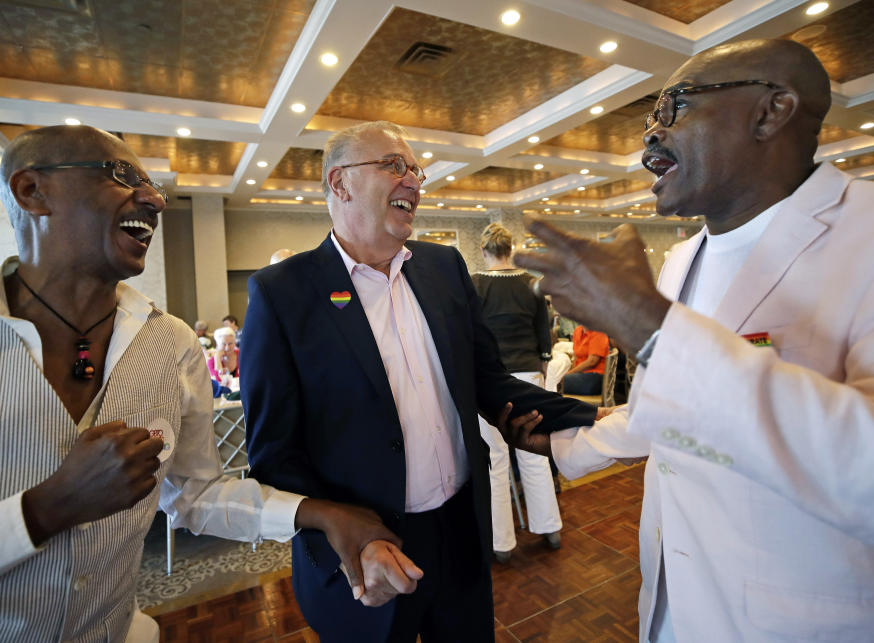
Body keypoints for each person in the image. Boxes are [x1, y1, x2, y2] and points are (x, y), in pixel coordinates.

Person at [0, 125, 420, 642]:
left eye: (152, 184)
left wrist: (323, 515)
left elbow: (194, 495)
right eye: (121, 175)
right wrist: (45, 509)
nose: (155, 199)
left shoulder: (170, 342)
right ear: (33, 191)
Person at [507, 39, 874, 641]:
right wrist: (570, 445)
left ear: (771, 110)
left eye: (673, 107)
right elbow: (670, 407)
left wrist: (650, 326)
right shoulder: (682, 258)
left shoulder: (870, 232)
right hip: (675, 601)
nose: (649, 136)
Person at [239, 120, 597, 642]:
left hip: (460, 533)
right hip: (369, 553)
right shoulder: (282, 294)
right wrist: (350, 540)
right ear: (340, 184)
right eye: (393, 165)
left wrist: (592, 416)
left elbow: (489, 381)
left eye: (416, 169)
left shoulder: (443, 266)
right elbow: (275, 453)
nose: (412, 180)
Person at [470, 222, 562, 561]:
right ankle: (549, 527)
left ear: (484, 252)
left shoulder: (476, 284)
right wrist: (541, 368)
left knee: (495, 460)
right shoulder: (531, 285)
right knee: (533, 453)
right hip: (527, 376)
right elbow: (544, 337)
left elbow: (472, 336)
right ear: (510, 250)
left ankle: (502, 544)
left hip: (491, 379)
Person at [561, 324, 609, 395]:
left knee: (558, 381)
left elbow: (592, 362)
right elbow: (576, 357)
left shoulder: (598, 331)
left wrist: (570, 373)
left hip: (595, 377)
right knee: (557, 379)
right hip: (581, 374)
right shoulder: (578, 331)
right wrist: (571, 373)